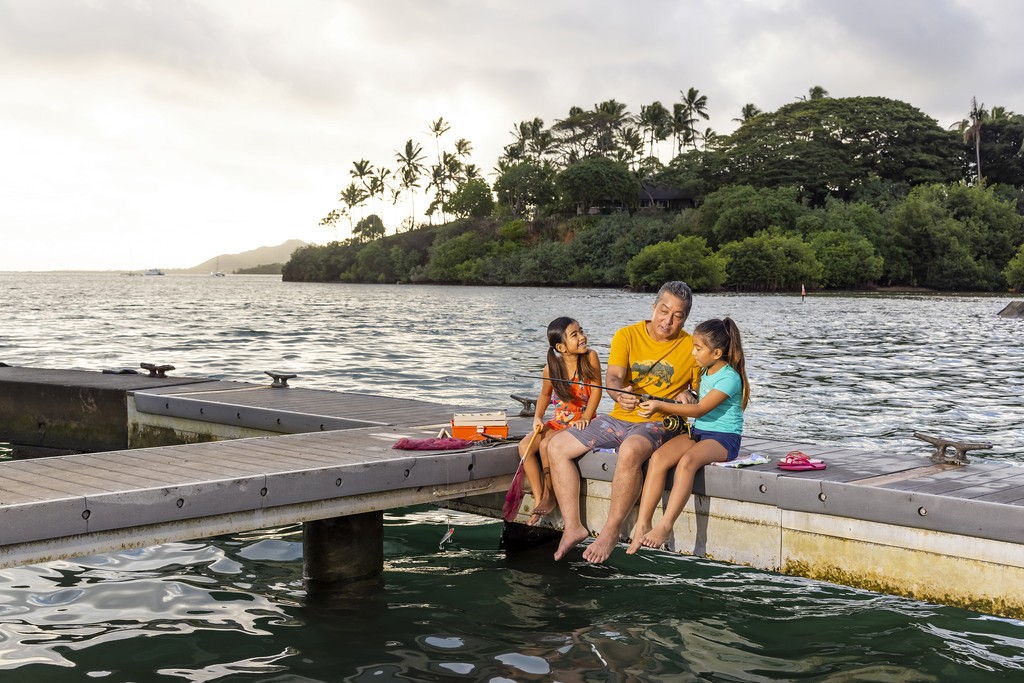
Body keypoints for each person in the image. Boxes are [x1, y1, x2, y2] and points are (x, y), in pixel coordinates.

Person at [547, 281, 701, 563]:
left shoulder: (692, 346)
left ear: (686, 318)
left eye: (677, 316)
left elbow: (699, 393)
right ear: (653, 307)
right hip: (619, 417)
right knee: (557, 447)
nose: (667, 321)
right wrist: (620, 394)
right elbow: (615, 377)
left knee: (630, 450)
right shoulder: (626, 335)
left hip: (660, 423)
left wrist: (687, 394)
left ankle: (611, 530)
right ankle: (573, 526)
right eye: (663, 311)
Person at [626, 317, 749, 555]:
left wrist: (660, 406)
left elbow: (701, 409)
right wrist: (687, 392)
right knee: (659, 458)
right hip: (700, 432)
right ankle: (643, 524)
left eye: (698, 348)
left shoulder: (730, 377)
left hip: (724, 438)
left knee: (687, 462)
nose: (693, 352)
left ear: (716, 353)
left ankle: (666, 525)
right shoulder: (705, 371)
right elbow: (697, 400)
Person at [518, 317, 602, 525]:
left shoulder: (590, 357)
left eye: (581, 331)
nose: (582, 337)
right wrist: (538, 417)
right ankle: (540, 496)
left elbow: (597, 391)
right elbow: (545, 395)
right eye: (575, 335)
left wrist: (585, 417)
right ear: (561, 347)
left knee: (547, 444)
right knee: (525, 446)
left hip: (582, 421)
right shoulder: (551, 368)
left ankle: (550, 494)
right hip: (559, 420)